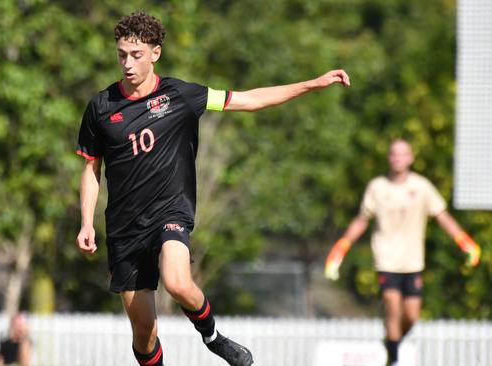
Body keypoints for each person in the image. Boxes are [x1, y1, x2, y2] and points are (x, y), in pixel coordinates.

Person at [76, 11, 350, 366]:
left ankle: (213, 337)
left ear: (155, 53)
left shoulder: (182, 96)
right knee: (144, 334)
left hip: (169, 213)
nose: (128, 63)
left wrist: (312, 84)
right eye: (122, 54)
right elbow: (90, 168)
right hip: (124, 228)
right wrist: (86, 222)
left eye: (137, 55)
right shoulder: (101, 107)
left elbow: (249, 100)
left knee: (177, 282)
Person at [324, 139, 481, 366]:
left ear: (410, 158)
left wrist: (464, 241)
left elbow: (442, 216)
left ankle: (391, 343)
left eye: (402, 154)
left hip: (413, 262)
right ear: (389, 158)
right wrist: (341, 248)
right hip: (386, 260)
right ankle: (395, 360)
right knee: (391, 304)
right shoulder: (377, 187)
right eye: (393, 154)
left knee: (411, 316)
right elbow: (361, 220)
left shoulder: (422, 186)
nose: (398, 158)